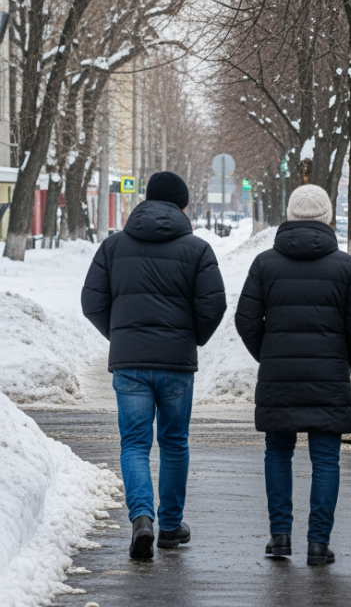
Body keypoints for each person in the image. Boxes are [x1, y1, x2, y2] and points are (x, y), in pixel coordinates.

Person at [81, 171, 227, 560]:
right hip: (177, 364)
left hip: (130, 364)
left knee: (134, 443)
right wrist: (190, 337)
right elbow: (214, 304)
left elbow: (91, 301)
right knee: (174, 442)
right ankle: (171, 525)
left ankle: (142, 519)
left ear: (145, 200)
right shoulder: (197, 250)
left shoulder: (113, 247)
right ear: (183, 206)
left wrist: (122, 335)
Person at [234, 184, 351, 566]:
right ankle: (317, 542)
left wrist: (269, 355)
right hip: (328, 374)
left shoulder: (265, 264)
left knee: (277, 451)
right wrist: (341, 359)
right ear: (329, 218)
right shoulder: (344, 266)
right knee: (325, 458)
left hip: (279, 373)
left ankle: (280, 537)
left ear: (290, 217)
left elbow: (246, 319)